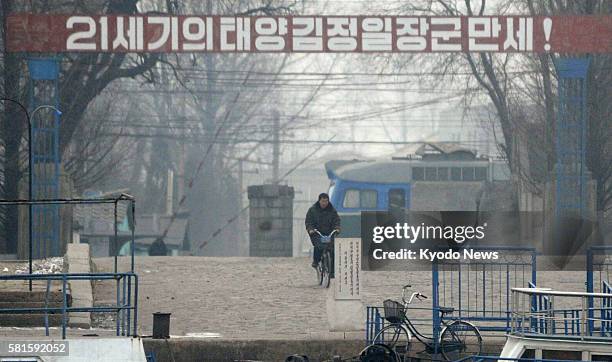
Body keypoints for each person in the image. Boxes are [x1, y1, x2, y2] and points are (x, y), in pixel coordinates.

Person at [305, 193, 340, 276]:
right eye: (323, 201)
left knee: (331, 250)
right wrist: (310, 229)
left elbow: (337, 220)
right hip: (317, 233)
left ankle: (332, 271)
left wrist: (337, 228)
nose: (324, 203)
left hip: (329, 233)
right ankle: (316, 261)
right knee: (319, 247)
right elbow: (308, 222)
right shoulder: (312, 210)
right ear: (319, 201)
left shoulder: (332, 210)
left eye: (326, 201)